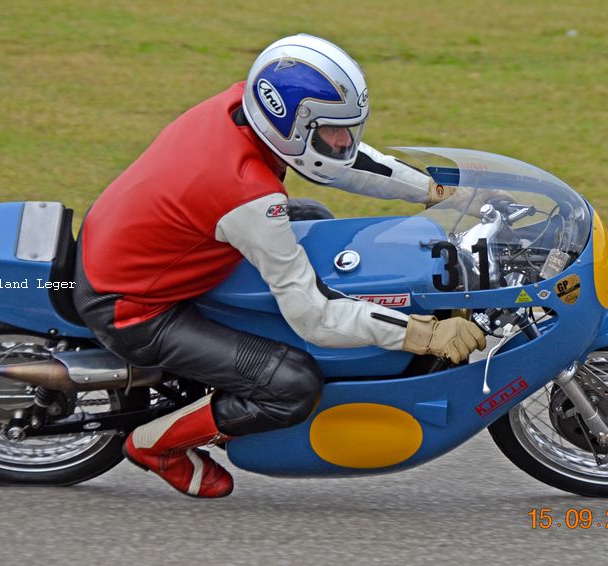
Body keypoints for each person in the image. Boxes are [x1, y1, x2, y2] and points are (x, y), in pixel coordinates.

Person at [72, 34, 487, 498]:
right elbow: (314, 316)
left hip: (142, 244)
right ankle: (157, 446)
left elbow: (339, 162)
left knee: (313, 220)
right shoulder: (248, 194)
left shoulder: (245, 107)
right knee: (291, 384)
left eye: (349, 127)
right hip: (134, 307)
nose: (344, 139)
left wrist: (438, 192)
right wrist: (423, 335)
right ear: (291, 124)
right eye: (333, 128)